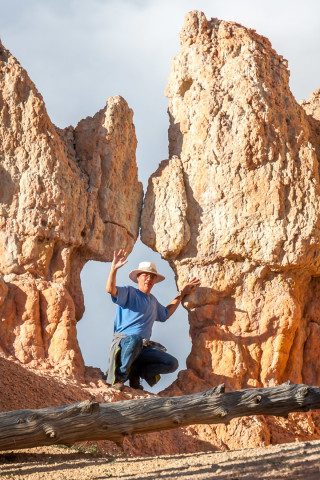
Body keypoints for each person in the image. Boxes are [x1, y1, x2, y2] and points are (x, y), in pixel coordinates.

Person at [105, 249, 200, 391]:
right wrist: (113, 269)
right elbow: (110, 289)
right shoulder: (130, 292)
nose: (149, 279)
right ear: (138, 277)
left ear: (155, 281)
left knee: (171, 363)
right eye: (145, 275)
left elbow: (166, 313)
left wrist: (182, 294)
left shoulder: (153, 301)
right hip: (125, 343)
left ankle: (135, 373)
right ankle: (119, 377)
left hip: (142, 347)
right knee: (135, 339)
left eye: (152, 276)